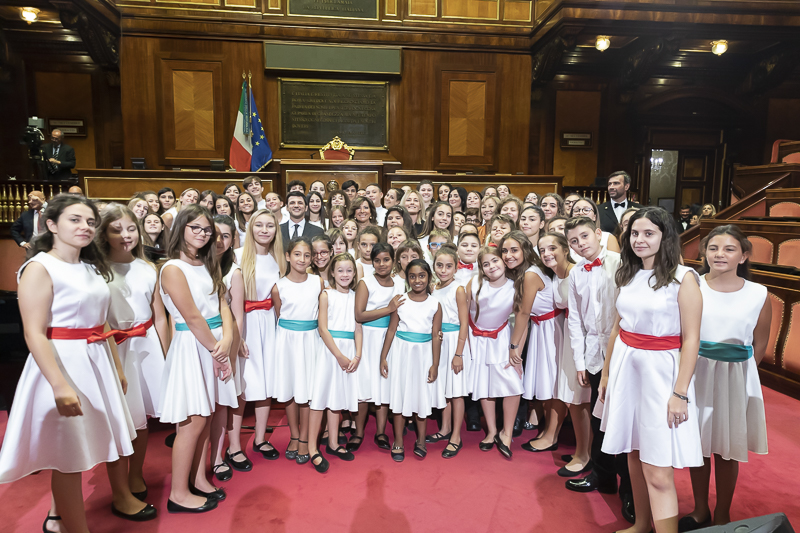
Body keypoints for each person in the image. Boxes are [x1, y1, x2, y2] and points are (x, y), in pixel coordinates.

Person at [0, 194, 155, 533]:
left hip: (95, 359)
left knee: (84, 447)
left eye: (89, 221)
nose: (85, 227)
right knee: (69, 457)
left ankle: (59, 520)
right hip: (61, 362)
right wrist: (59, 384)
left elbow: (101, 325)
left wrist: (115, 368)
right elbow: (34, 332)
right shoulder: (40, 267)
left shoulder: (90, 266)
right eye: (75, 219)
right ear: (52, 224)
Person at [599, 207, 703, 533]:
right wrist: (605, 374)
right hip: (626, 369)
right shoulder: (628, 274)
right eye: (634, 233)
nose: (639, 240)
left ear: (665, 236)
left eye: (648, 233)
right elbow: (617, 328)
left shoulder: (684, 278)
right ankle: (642, 525)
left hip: (662, 375)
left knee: (658, 468)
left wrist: (680, 393)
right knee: (633, 453)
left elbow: (692, 339)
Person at [681, 226, 770, 531]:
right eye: (713, 248)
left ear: (744, 255)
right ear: (703, 252)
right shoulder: (692, 285)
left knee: (726, 447)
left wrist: (741, 372)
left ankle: (723, 511)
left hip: (735, 375)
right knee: (700, 442)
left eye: (729, 249)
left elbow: (759, 343)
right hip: (698, 371)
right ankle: (700, 507)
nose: (720, 254)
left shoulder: (758, 293)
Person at [158, 204, 233, 513]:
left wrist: (227, 339)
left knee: (208, 415)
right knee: (193, 420)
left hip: (214, 342)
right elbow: (191, 317)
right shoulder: (172, 268)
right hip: (194, 345)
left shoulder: (206, 263)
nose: (203, 234)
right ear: (181, 230)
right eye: (196, 228)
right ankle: (178, 494)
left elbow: (222, 303)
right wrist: (218, 349)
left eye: (207, 230)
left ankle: (198, 478)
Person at [98, 204, 170, 505]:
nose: (125, 235)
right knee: (119, 417)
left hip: (146, 343)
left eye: (130, 228)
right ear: (103, 234)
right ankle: (119, 488)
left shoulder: (146, 268)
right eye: (116, 229)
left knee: (141, 419)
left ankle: (135, 473)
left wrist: (166, 355)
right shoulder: (97, 270)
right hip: (113, 345)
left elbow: (160, 317)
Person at [564, 216, 633, 524]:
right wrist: (579, 361)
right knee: (598, 415)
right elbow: (575, 320)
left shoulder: (622, 263)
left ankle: (631, 490)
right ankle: (602, 476)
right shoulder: (577, 273)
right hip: (593, 353)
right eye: (573, 241)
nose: (580, 244)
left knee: (625, 420)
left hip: (625, 351)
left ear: (599, 234)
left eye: (584, 237)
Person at [227, 210, 285, 472]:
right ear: (250, 228)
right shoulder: (237, 258)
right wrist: (236, 337)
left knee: (265, 382)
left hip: (269, 324)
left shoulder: (279, 259)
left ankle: (260, 438)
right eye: (258, 225)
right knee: (242, 385)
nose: (264, 230)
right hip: (245, 324)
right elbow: (227, 301)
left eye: (269, 225)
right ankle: (233, 446)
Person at [539, 232, 592, 477]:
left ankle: (585, 454)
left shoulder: (576, 273)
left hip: (581, 339)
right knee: (573, 397)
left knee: (580, 399)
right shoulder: (555, 276)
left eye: (552, 248)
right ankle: (584, 450)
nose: (547, 253)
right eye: (542, 250)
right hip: (568, 338)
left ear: (565, 249)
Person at [381, 259, 443, 462]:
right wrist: (383, 356)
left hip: (424, 355)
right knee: (400, 397)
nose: (417, 280)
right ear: (407, 279)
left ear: (429, 277)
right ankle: (398, 439)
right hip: (401, 354)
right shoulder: (400, 300)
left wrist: (435, 364)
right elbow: (391, 330)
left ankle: (421, 440)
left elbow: (435, 335)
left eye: (422, 276)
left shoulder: (435, 304)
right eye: (413, 276)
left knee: (421, 397)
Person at [466, 245, 523, 458]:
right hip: (477, 340)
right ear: (480, 268)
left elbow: (522, 320)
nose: (492, 267)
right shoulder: (475, 284)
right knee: (484, 385)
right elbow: (464, 314)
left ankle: (506, 432)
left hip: (502, 339)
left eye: (495, 261)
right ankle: (491, 431)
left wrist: (516, 352)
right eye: (486, 264)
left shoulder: (515, 286)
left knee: (512, 383)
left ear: (504, 261)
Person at [272, 237, 324, 466]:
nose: (302, 259)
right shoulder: (278, 286)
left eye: (306, 255)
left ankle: (305, 438)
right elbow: (278, 314)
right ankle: (294, 434)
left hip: (311, 340)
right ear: (287, 256)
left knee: (307, 390)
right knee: (290, 388)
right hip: (287, 341)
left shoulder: (318, 282)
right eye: (297, 255)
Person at [308, 253, 361, 473]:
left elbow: (358, 327)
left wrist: (357, 355)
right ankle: (312, 448)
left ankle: (333, 443)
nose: (345, 274)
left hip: (349, 350)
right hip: (330, 351)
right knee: (320, 397)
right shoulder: (326, 295)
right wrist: (339, 355)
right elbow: (323, 328)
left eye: (349, 270)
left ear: (354, 273)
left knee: (336, 398)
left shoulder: (357, 296)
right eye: (340, 270)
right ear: (332, 272)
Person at [353, 244, 405, 452]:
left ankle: (381, 431)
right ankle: (358, 432)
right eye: (377, 260)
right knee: (364, 384)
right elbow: (359, 315)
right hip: (368, 337)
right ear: (372, 262)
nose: (382, 264)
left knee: (383, 386)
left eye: (386, 260)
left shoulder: (400, 282)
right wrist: (388, 308)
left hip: (390, 337)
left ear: (393, 261)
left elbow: (400, 313)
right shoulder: (366, 282)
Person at [429, 245, 471, 458]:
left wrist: (459, 353)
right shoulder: (435, 288)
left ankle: (456, 435)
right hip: (440, 342)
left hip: (455, 341)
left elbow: (465, 323)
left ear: (456, 268)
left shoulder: (459, 288)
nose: (443, 270)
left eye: (448, 266)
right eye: (439, 265)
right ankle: (444, 429)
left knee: (457, 392)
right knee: (444, 388)